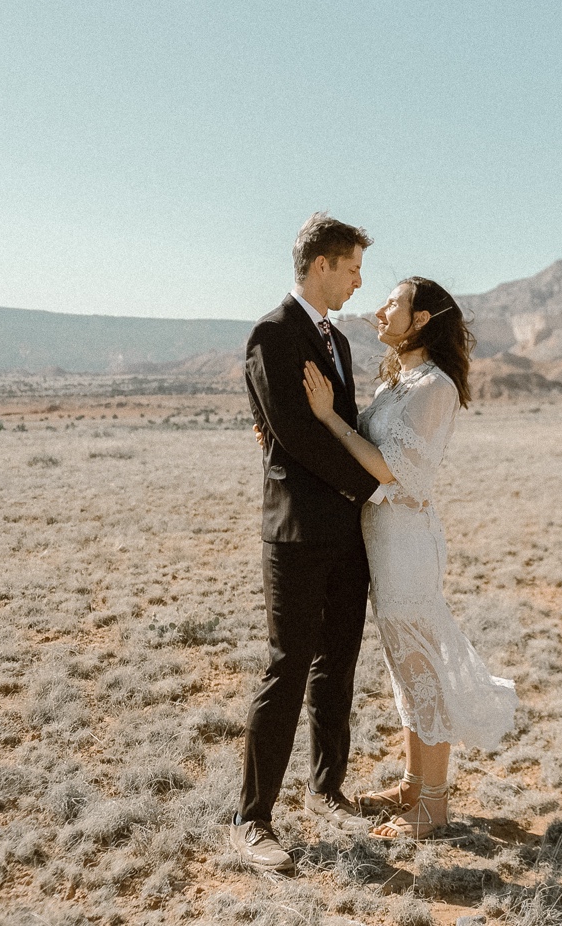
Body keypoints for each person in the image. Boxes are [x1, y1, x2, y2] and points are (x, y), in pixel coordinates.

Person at [302, 276, 518, 839]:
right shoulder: (402, 381)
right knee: (406, 667)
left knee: (423, 667)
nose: (380, 310)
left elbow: (391, 468)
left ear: (421, 319)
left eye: (393, 303)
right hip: (384, 538)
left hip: (407, 545)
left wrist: (327, 418)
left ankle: (433, 808)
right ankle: (412, 785)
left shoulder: (434, 387)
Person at [232, 212, 381, 873]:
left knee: (338, 662)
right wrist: (371, 485)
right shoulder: (274, 333)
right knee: (287, 665)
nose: (357, 280)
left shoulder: (339, 344)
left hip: (347, 532)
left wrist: (360, 493)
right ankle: (250, 819)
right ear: (321, 265)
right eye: (351, 267)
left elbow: (339, 426)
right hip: (296, 534)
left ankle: (329, 788)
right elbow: (295, 433)